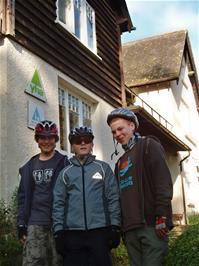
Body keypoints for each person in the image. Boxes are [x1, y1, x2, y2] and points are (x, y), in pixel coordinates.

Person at [107, 108, 173, 266]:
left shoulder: (149, 145)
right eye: (113, 132)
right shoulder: (119, 162)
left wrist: (162, 216)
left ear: (132, 126)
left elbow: (163, 182)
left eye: (120, 129)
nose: (117, 134)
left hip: (151, 225)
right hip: (130, 230)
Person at [52, 126, 121, 266]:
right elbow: (58, 203)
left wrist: (115, 226)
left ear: (92, 144)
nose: (82, 143)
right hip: (73, 234)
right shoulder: (65, 173)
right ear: (72, 146)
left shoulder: (103, 168)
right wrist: (58, 232)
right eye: (78, 141)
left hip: (99, 232)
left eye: (87, 140)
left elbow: (113, 198)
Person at [17, 120, 69, 266]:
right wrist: (21, 225)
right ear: (37, 140)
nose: (46, 141)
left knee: (59, 262)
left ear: (56, 140)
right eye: (42, 137)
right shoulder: (29, 166)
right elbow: (22, 198)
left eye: (50, 137)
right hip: (34, 224)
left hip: (58, 224)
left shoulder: (65, 163)